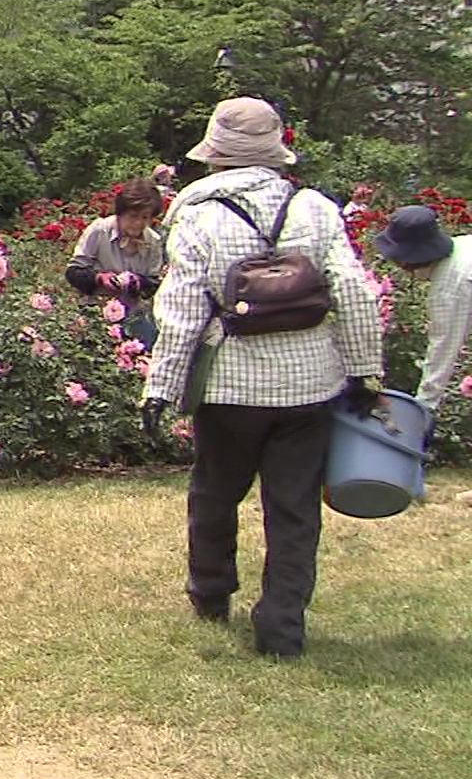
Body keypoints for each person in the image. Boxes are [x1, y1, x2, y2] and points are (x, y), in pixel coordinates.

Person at [140, 97, 383, 660]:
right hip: (309, 385)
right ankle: (282, 626)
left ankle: (210, 591)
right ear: (274, 154)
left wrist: (160, 387)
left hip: (231, 387)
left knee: (216, 493)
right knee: (295, 508)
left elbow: (180, 309)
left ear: (216, 157)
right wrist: (366, 373)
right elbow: (352, 292)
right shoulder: (315, 209)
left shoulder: (198, 215)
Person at [373, 205, 470, 414]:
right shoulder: (462, 245)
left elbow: (444, 349)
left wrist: (423, 407)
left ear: (406, 260)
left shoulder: (451, 285)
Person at [66, 177, 165, 312]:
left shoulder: (153, 241)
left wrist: (139, 282)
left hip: (133, 313)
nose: (139, 223)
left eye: (145, 217)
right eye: (133, 216)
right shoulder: (100, 230)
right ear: (120, 213)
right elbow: (73, 272)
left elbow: (154, 283)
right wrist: (99, 278)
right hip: (95, 309)